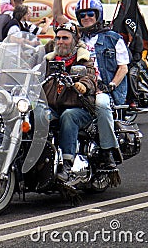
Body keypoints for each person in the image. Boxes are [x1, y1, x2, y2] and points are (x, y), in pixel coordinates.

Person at [53, 0, 130, 170]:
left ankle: (107, 150)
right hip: (78, 87)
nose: (86, 18)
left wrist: (111, 85)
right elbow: (57, 16)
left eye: (90, 14)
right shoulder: (76, 35)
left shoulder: (113, 38)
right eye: (82, 15)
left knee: (102, 104)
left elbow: (123, 68)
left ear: (98, 15)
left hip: (102, 88)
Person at [38, 22, 96, 181]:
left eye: (65, 38)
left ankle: (67, 164)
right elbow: (32, 72)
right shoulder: (48, 60)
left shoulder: (83, 59)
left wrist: (83, 85)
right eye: (58, 37)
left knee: (68, 116)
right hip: (53, 107)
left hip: (79, 108)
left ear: (75, 40)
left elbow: (91, 76)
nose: (60, 41)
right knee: (36, 114)